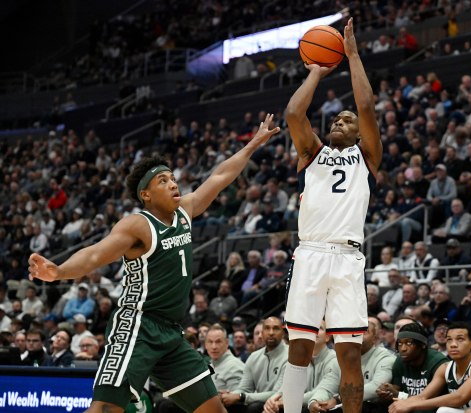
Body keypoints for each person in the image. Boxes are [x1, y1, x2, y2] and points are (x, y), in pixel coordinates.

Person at [28, 116, 280, 413]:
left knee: (213, 410)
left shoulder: (185, 210)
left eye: (173, 178)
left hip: (172, 332)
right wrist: (59, 271)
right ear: (146, 195)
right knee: (107, 409)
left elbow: (220, 176)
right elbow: (95, 254)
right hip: (137, 325)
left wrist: (252, 144)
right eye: (163, 181)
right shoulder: (138, 225)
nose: (173, 183)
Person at [282, 18, 382, 413]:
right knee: (301, 348)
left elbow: (367, 105)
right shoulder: (312, 152)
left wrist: (353, 55)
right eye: (334, 119)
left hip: (347, 258)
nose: (337, 121)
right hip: (309, 253)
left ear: (359, 134)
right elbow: (293, 112)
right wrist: (316, 72)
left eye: (345, 120)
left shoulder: (367, 155)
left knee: (350, 354)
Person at [388, 322, 471, 413]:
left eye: (460, 339)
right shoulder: (445, 368)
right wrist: (402, 403)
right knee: (443, 410)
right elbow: (422, 397)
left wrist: (412, 405)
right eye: (449, 340)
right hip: (464, 411)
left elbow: (460, 397)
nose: (453, 344)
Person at [376, 322, 448, 413]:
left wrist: (398, 394)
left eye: (409, 343)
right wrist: (387, 391)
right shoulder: (400, 360)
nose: (403, 349)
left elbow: (425, 401)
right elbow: (396, 389)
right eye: (400, 343)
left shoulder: (439, 363)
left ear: (423, 345)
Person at [205, 324, 245, 392]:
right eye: (210, 342)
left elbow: (237, 399)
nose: (214, 347)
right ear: (206, 345)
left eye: (218, 342)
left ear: (227, 343)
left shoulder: (234, 366)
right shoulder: (208, 365)